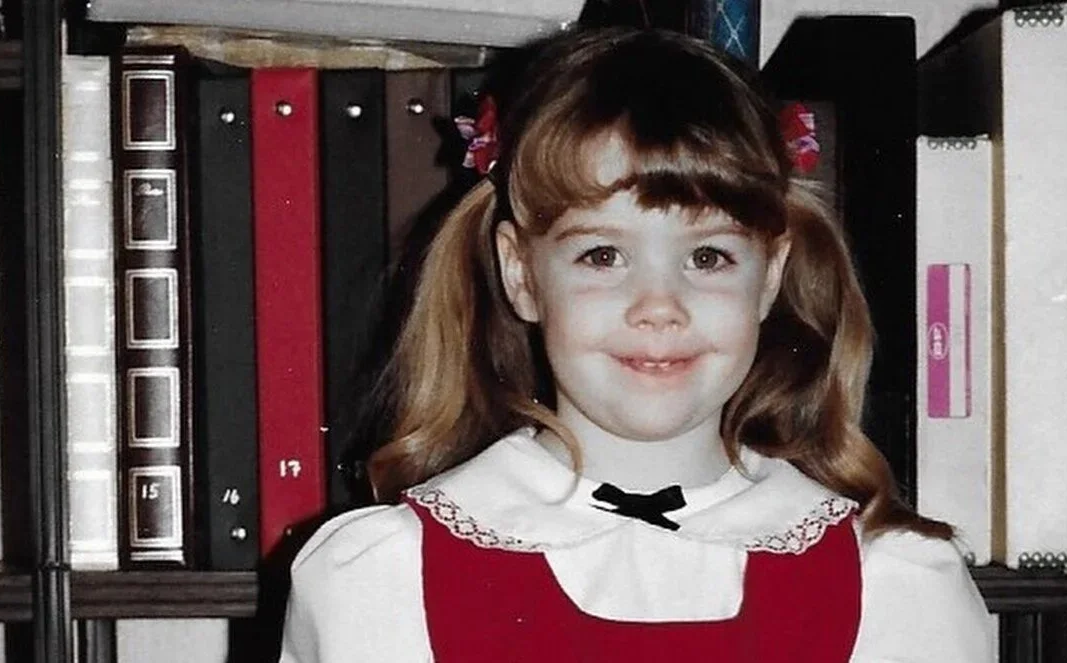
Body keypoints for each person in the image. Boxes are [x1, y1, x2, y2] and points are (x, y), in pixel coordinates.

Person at [278, 25, 994, 663]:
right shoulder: (387, 577)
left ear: (770, 277)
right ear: (521, 275)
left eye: (708, 257)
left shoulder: (892, 584)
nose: (658, 307)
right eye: (602, 256)